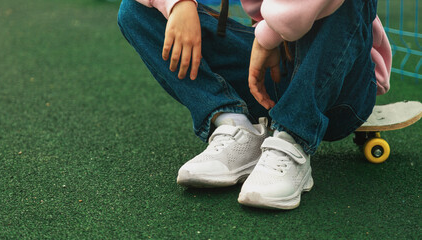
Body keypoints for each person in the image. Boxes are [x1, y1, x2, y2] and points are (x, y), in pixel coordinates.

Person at [117, 0, 391, 209]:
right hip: (273, 69)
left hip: (339, 83)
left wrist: (267, 35)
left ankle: (293, 137)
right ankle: (233, 125)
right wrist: (178, 5)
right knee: (136, 10)